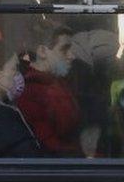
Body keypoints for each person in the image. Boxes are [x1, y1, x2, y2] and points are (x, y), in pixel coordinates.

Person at [16, 22, 81, 156]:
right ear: (42, 51)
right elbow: (48, 145)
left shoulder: (57, 82)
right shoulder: (29, 92)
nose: (71, 56)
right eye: (64, 49)